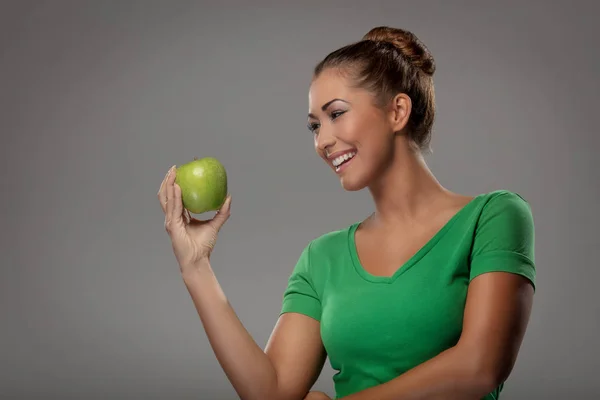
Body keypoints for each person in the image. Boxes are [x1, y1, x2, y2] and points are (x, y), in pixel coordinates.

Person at [157, 26, 536, 400]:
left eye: (336, 114)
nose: (322, 141)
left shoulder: (493, 217)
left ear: (397, 112)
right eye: (314, 126)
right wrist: (196, 266)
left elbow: (480, 366)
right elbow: (272, 393)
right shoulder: (322, 257)